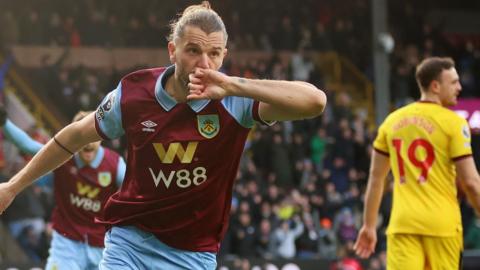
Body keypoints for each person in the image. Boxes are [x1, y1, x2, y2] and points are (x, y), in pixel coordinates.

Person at [0, 2, 326, 269]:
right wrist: (13, 187)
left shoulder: (235, 101)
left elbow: (315, 102)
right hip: (130, 242)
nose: (203, 63)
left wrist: (234, 84)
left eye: (214, 54)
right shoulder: (132, 94)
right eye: (193, 51)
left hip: (193, 254)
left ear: (224, 56)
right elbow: (73, 137)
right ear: (172, 50)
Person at [354, 57, 480, 270]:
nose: (459, 87)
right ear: (435, 86)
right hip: (442, 227)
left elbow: (376, 180)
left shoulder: (391, 122)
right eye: (454, 82)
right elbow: (471, 182)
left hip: (403, 226)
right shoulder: (454, 123)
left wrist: (368, 225)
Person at [1, 110, 126, 270]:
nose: (88, 143)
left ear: (102, 138)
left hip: (102, 245)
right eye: (84, 138)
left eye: (93, 137)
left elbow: (138, 190)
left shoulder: (115, 165)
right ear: (75, 139)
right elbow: (27, 145)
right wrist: (4, 122)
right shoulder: (61, 157)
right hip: (66, 244)